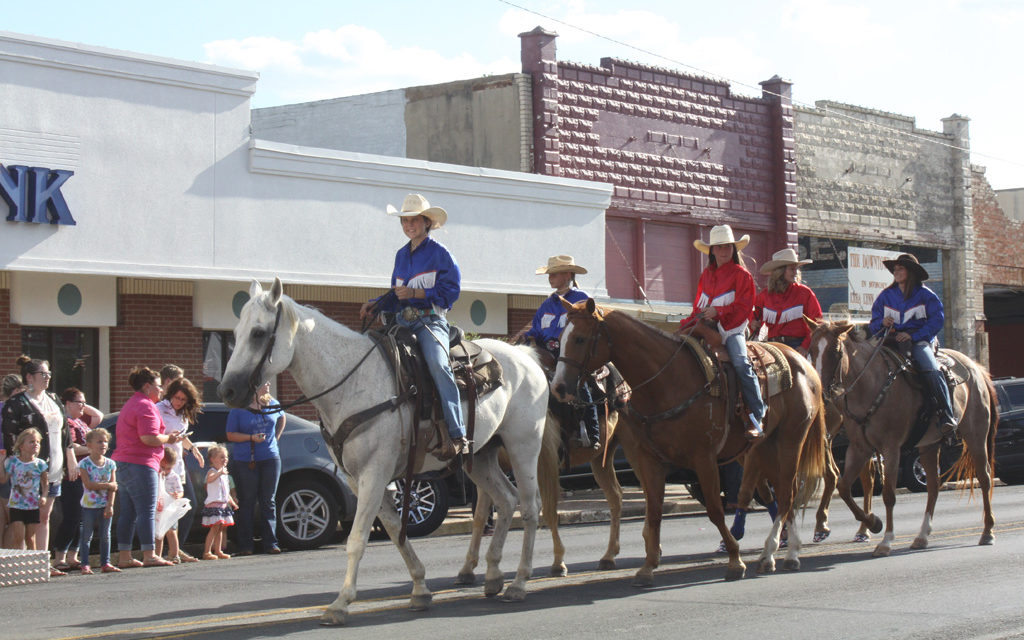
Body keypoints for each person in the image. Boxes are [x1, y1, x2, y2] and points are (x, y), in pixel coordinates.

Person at [359, 193, 467, 460]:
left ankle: (457, 433)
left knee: (439, 365)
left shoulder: (441, 255)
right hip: (402, 321)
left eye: (414, 220)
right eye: (405, 221)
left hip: (431, 320)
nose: (409, 225)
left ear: (426, 222)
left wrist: (417, 295)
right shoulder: (400, 255)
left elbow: (451, 293)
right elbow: (396, 294)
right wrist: (376, 304)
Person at [683, 225, 765, 441]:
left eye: (727, 246)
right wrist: (690, 321)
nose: (723, 251)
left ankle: (757, 416)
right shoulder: (706, 276)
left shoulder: (742, 275)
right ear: (712, 251)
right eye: (719, 247)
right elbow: (697, 307)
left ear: (733, 249)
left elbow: (744, 308)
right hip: (706, 327)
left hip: (732, 329)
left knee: (740, 363)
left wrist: (718, 312)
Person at [513, 254, 601, 450]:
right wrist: (525, 336)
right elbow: (536, 329)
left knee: (579, 385)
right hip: (545, 353)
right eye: (549, 274)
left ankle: (592, 433)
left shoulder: (582, 300)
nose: (550, 278)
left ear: (567, 274)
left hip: (570, 355)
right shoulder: (547, 303)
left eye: (554, 274)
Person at [1, 356, 77, 576]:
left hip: (52, 468)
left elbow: (65, 434)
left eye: (49, 374)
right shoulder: (16, 404)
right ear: (30, 377)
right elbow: (10, 439)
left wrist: (70, 457)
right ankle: (23, 563)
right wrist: (19, 467)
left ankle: (42, 562)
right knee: (23, 519)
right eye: (43, 374)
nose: (48, 378)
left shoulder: (53, 399)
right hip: (27, 472)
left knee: (45, 516)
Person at [869, 253, 957, 440]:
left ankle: (946, 414)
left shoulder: (926, 295)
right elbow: (873, 321)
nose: (896, 271)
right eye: (895, 269)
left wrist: (912, 335)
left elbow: (936, 322)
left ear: (911, 272)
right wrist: (882, 322)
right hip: (890, 341)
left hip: (919, 340)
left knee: (930, 367)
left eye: (900, 268)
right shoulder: (886, 295)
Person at [112, 366, 183, 568]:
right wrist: (169, 438)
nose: (161, 390)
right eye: (158, 386)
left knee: (128, 511)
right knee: (146, 509)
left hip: (124, 462)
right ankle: (149, 554)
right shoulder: (146, 405)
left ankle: (125, 555)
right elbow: (148, 437)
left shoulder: (131, 403)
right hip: (140, 463)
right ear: (147, 386)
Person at [226, 381, 285, 555]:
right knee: (247, 501)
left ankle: (271, 543)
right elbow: (230, 434)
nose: (268, 384)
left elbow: (282, 417)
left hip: (270, 458)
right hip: (246, 460)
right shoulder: (238, 408)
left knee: (268, 501)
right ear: (252, 387)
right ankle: (245, 545)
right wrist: (251, 437)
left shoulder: (272, 403)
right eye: (263, 383)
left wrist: (276, 438)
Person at [53, 387, 103, 572]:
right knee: (72, 516)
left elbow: (99, 415)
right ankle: (59, 557)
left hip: (85, 475)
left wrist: (80, 404)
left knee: (81, 517)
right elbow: (71, 446)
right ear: (67, 404)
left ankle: (73, 555)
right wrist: (91, 450)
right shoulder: (66, 422)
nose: (83, 406)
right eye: (78, 402)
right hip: (71, 475)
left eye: (84, 402)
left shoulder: (80, 421)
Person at [155, 377, 203, 561]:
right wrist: (168, 438)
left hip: (178, 465)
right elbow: (156, 434)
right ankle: (165, 551)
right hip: (163, 464)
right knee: (166, 509)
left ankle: (176, 549)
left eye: (183, 400)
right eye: (177, 398)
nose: (178, 402)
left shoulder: (182, 413)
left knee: (187, 506)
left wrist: (192, 448)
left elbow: (182, 436)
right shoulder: (160, 409)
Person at [752, 248, 823, 353]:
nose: (796, 273)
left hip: (796, 346)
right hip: (769, 346)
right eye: (792, 269)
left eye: (796, 269)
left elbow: (817, 322)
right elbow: (752, 315)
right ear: (780, 272)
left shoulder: (805, 293)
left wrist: (805, 346)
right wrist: (752, 322)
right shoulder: (764, 295)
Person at [77, 428, 120, 574]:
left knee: (105, 535)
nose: (103, 444)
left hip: (105, 504)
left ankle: (105, 563)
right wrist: (107, 485)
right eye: (99, 441)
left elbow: (114, 487)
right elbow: (89, 484)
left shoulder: (110, 464)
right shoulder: (84, 464)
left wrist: (110, 505)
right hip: (89, 505)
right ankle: (85, 564)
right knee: (86, 535)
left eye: (105, 441)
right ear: (89, 445)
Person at [0, 428, 48, 551]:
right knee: (18, 538)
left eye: (37, 442)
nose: (35, 444)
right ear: (21, 446)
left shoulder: (40, 464)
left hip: (32, 505)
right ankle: (19, 565)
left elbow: (45, 483)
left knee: (30, 539)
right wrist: (1, 462)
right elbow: (3, 480)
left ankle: (34, 566)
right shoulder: (13, 462)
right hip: (17, 504)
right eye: (31, 442)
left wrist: (44, 496)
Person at [0, 373, 25, 547]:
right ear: (16, 391)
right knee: (15, 518)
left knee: (3, 517)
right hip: (10, 464)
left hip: (5, 463)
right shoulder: (14, 411)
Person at [201, 445, 236, 560]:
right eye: (221, 457)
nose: (225, 459)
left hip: (223, 504)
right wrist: (219, 473)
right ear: (212, 459)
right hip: (214, 504)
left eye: (226, 457)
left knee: (221, 528)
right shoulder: (212, 472)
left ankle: (218, 550)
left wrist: (232, 502)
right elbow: (209, 479)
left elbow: (226, 491)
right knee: (214, 528)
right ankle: (207, 551)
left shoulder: (224, 474)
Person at [154, 447, 186, 561]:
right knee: (159, 533)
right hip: (160, 508)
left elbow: (180, 491)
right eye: (163, 467)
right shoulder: (157, 475)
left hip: (170, 508)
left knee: (172, 531)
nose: (165, 471)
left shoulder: (174, 476)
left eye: (169, 468)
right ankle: (157, 555)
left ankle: (174, 554)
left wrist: (178, 495)